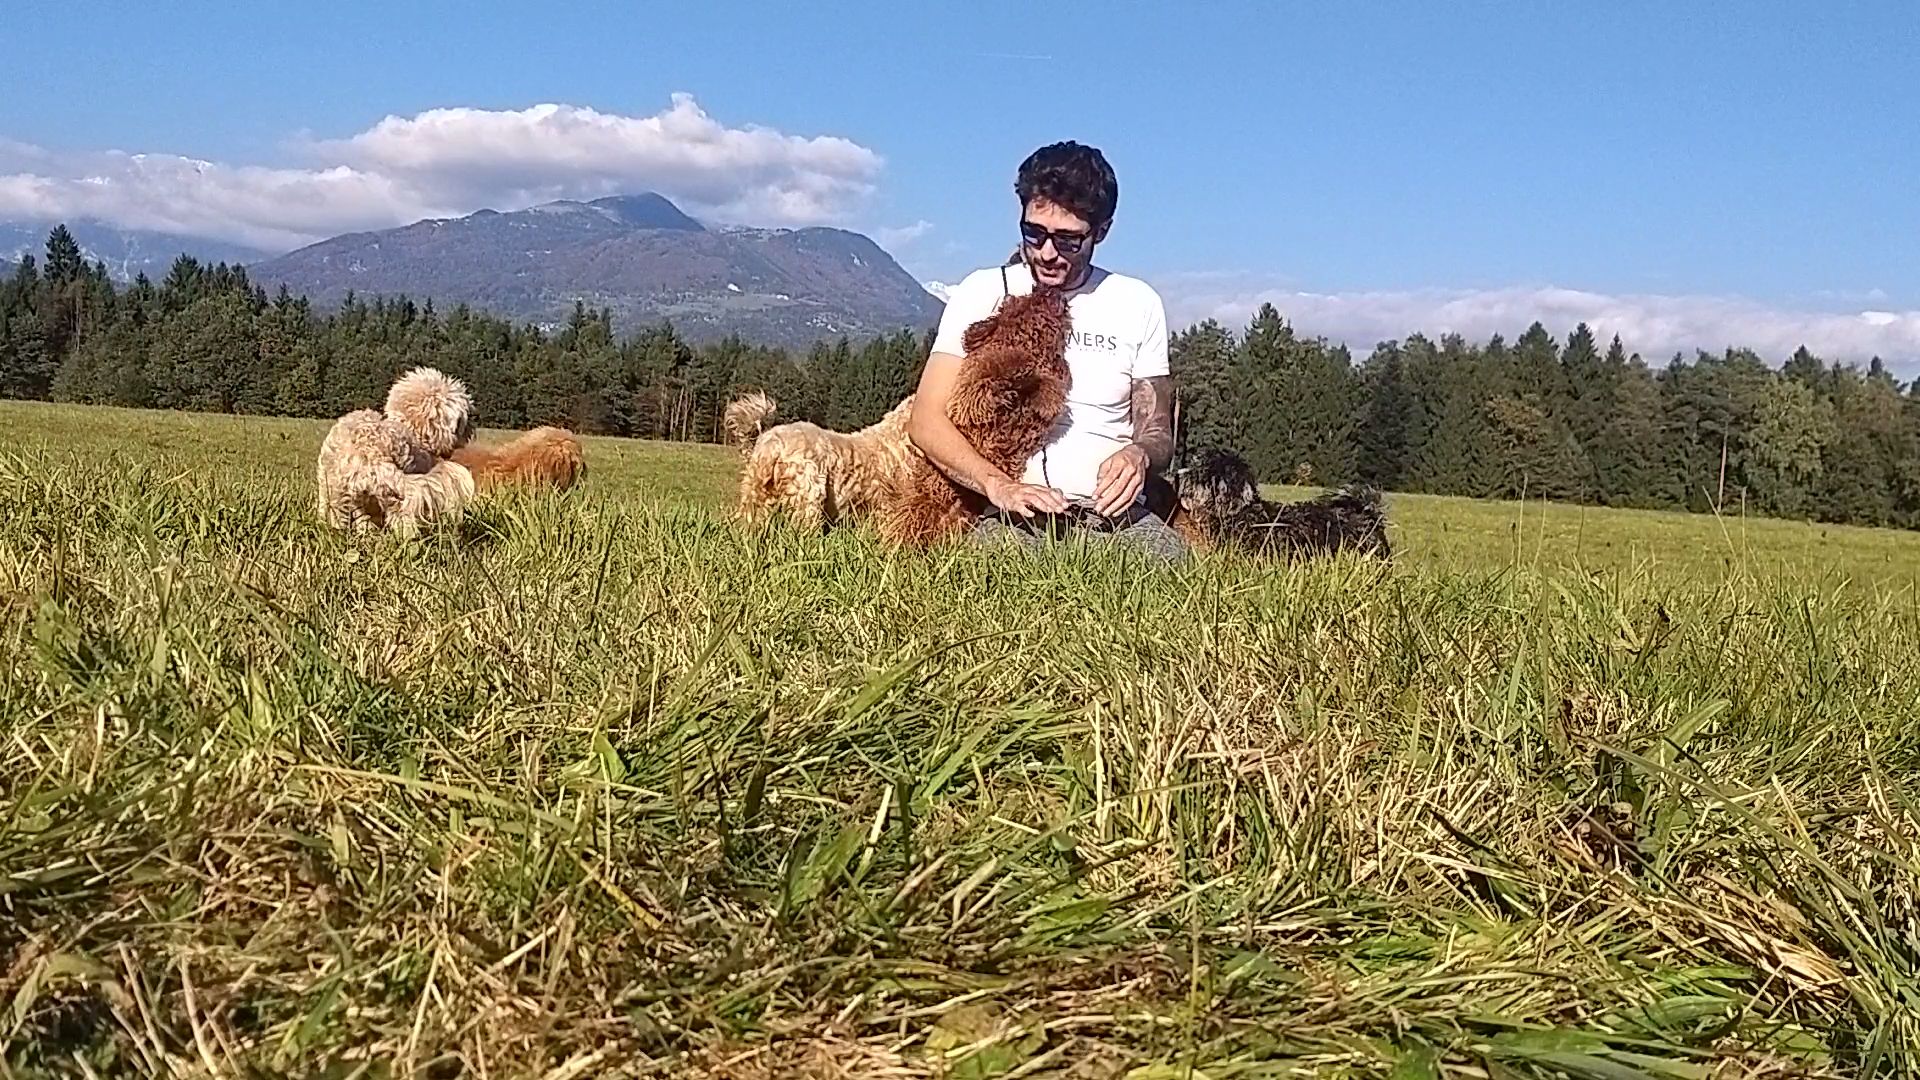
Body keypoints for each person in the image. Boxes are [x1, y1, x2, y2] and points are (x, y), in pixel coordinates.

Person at [907, 141, 1186, 561]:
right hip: (1008, 516)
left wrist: (1138, 456)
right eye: (1034, 233)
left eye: (1069, 240)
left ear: (1102, 231)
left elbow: (1158, 431)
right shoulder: (981, 291)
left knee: (1177, 574)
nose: (1047, 253)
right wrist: (998, 485)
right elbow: (925, 420)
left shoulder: (1137, 302)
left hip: (1113, 519)